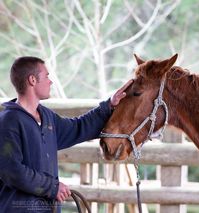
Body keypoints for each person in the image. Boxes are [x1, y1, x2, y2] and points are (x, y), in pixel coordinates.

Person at [0, 56, 133, 212]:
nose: (50, 81)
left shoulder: (47, 117)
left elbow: (77, 127)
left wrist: (109, 105)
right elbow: (11, 171)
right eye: (47, 76)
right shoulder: (8, 122)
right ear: (32, 80)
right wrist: (52, 187)